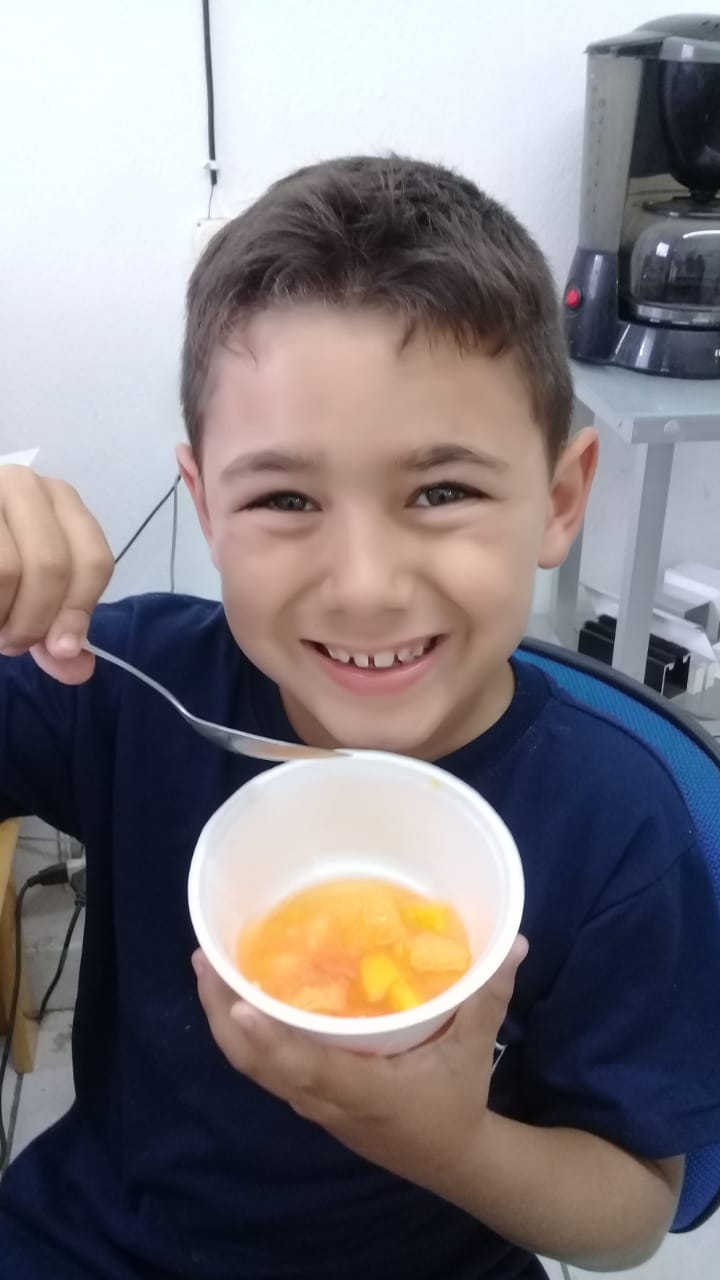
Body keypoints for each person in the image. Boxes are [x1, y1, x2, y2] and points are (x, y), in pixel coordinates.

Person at [0, 155, 719, 1280]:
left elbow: (632, 1213)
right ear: (204, 507)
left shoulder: (616, 823)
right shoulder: (126, 684)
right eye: (285, 498)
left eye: (442, 491)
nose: (366, 586)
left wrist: (449, 1143)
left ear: (560, 499)